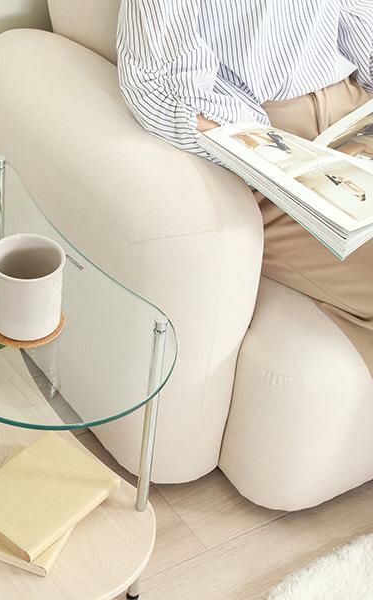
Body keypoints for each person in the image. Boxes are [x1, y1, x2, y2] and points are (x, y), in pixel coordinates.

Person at [117, 0, 373, 376]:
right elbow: (156, 84)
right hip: (257, 137)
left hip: (355, 106)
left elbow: (357, 16)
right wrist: (260, 147)